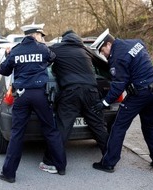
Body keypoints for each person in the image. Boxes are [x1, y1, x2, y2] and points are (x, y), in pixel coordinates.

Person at [0, 23, 66, 183]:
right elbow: (52, 58)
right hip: (41, 94)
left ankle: (9, 174)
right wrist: (40, 65)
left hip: (21, 95)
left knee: (17, 134)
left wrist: (8, 56)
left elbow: (3, 70)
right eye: (40, 35)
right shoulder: (42, 49)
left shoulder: (15, 50)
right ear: (35, 34)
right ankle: (60, 166)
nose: (42, 38)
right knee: (50, 129)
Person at [91, 28, 153, 173]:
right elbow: (139, 63)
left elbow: (118, 85)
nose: (103, 55)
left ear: (108, 45)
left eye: (102, 51)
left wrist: (105, 103)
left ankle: (108, 163)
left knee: (118, 127)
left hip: (139, 95)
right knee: (150, 126)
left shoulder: (117, 57)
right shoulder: (136, 42)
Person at [41, 30, 109, 170]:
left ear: (63, 39)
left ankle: (52, 162)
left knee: (62, 127)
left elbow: (40, 62)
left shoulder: (56, 49)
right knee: (98, 126)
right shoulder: (85, 49)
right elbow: (104, 66)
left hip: (70, 92)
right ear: (77, 39)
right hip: (91, 91)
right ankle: (109, 160)